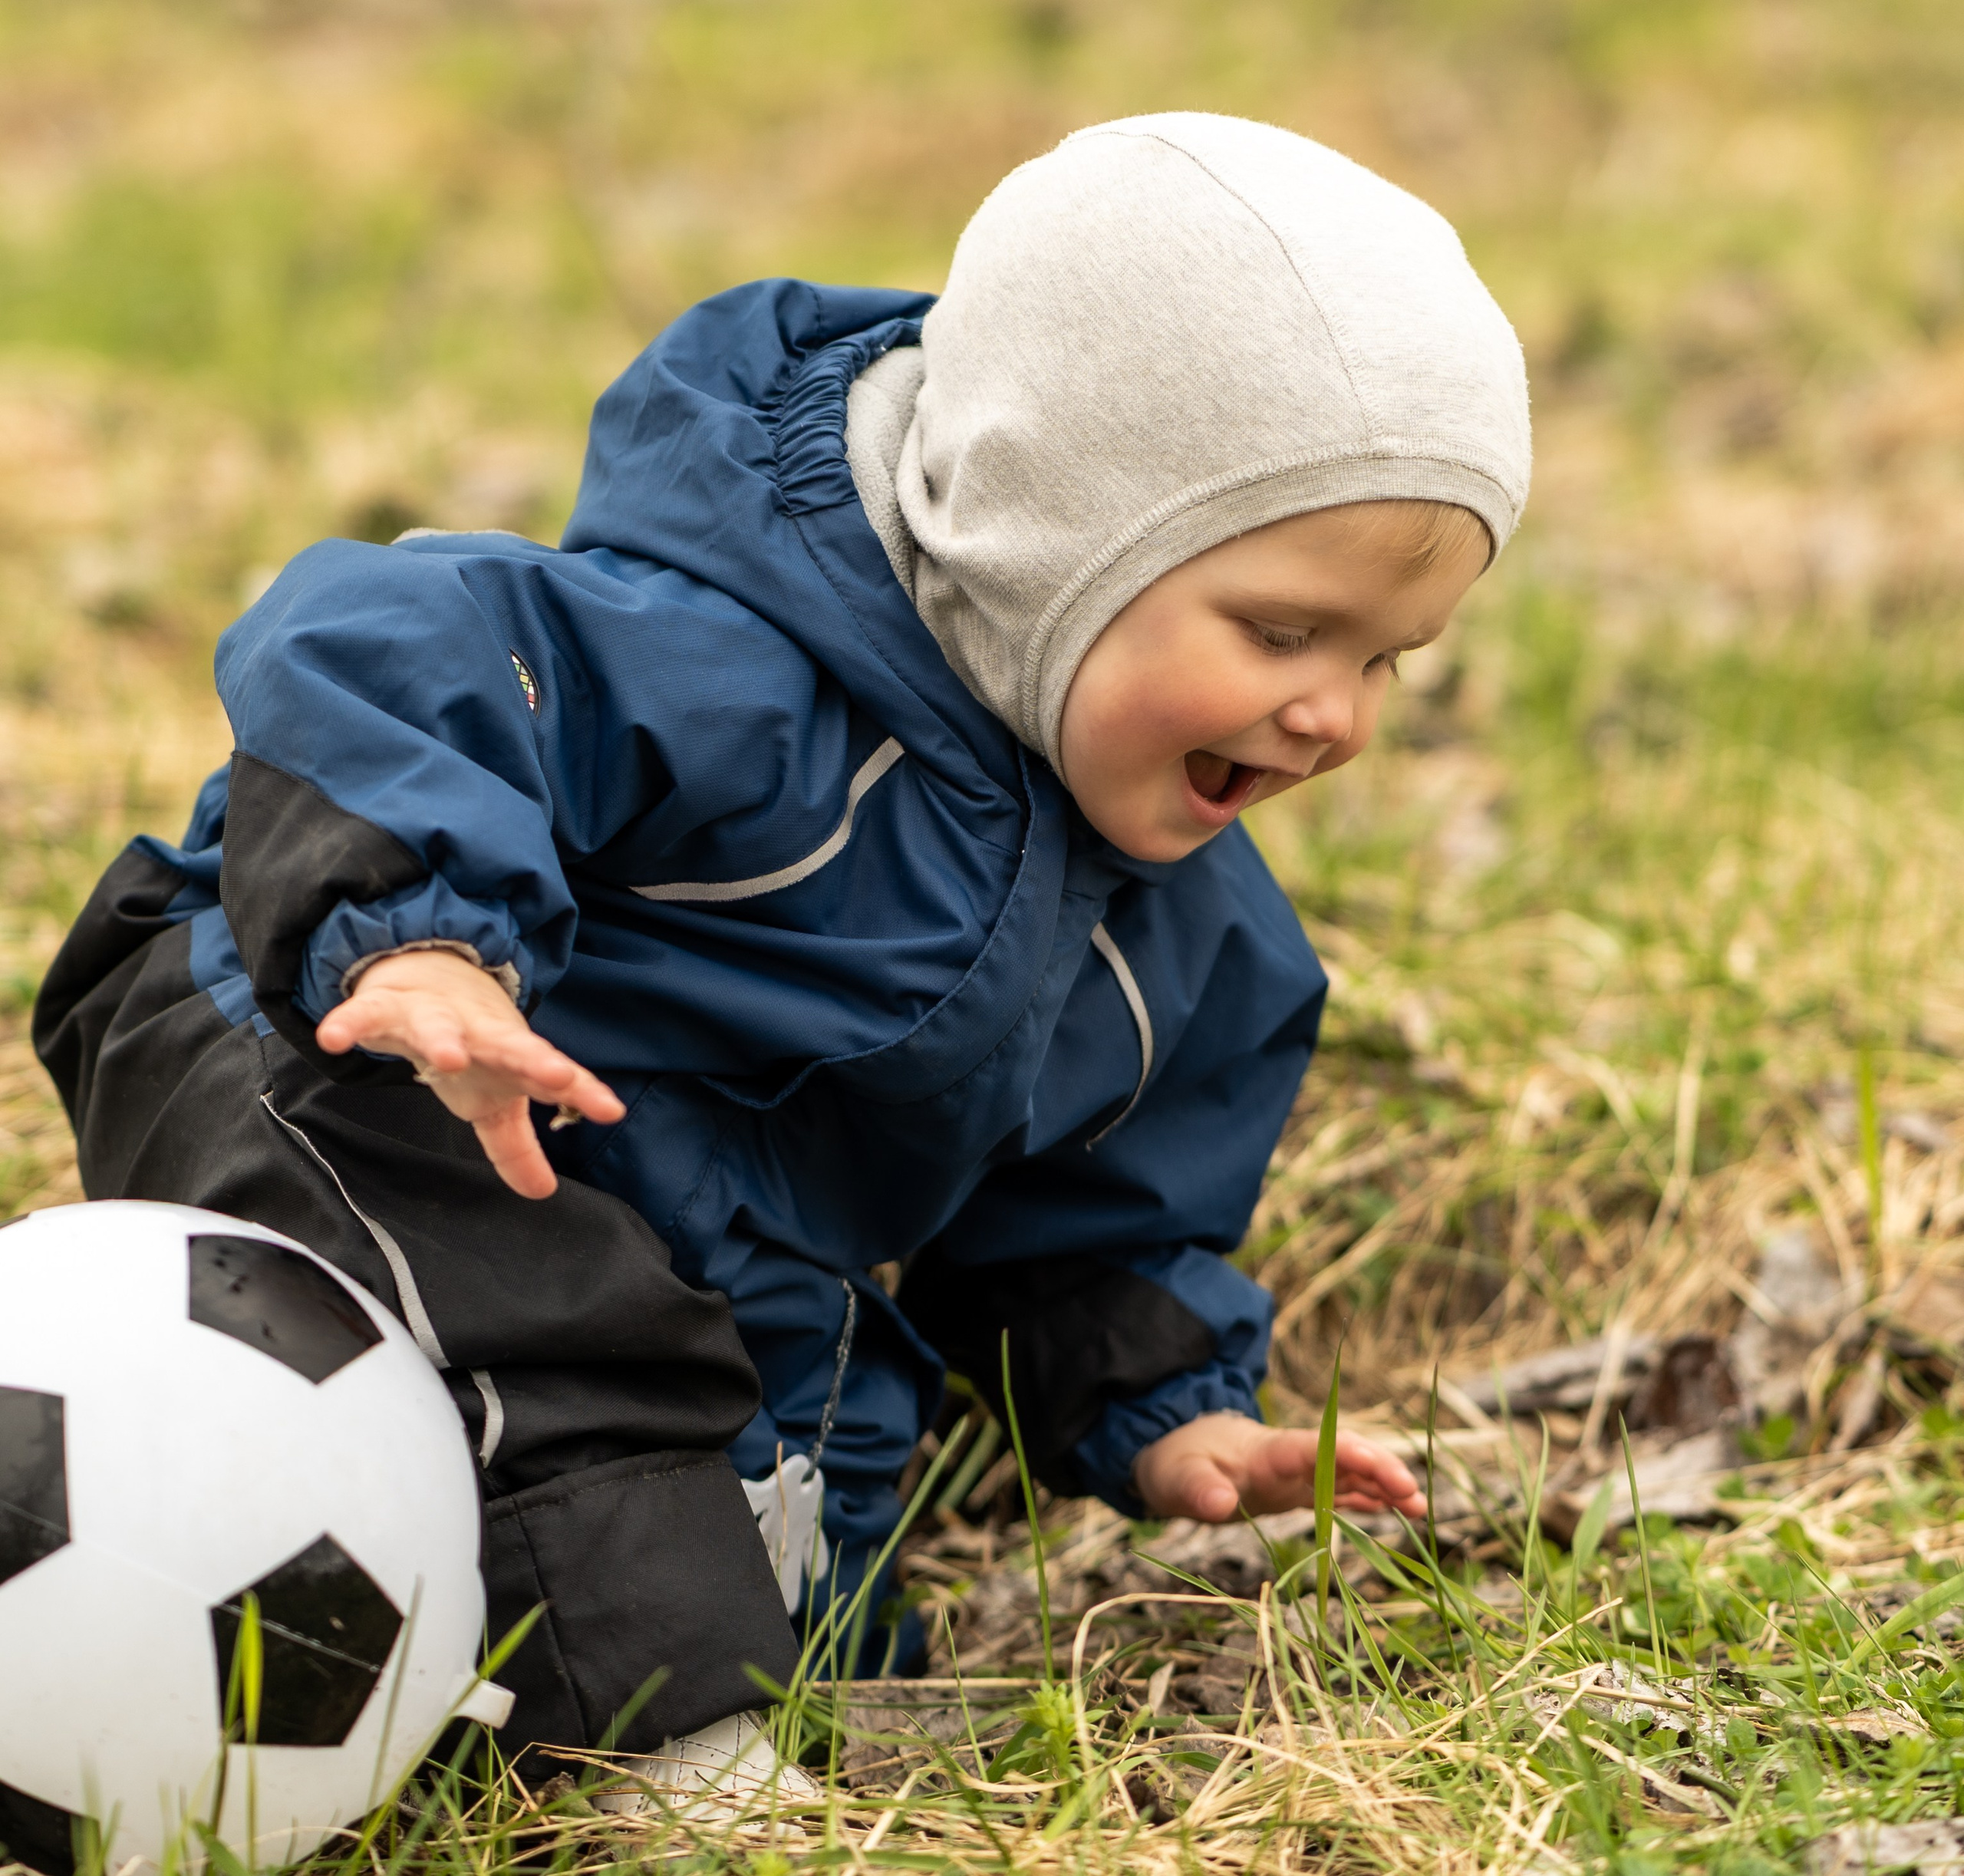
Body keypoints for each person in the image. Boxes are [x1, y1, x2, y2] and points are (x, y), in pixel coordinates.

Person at [33, 112, 1528, 1798]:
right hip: (331, 1023)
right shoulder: (725, 668)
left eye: (1389, 658)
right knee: (541, 1310)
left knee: (811, 1548)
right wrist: (430, 943)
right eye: (1277, 630)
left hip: (690, 1200)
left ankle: (625, 1687)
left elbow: (1093, 1210)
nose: (1331, 712)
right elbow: (379, 644)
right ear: (1045, 539)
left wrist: (1165, 1404)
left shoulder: (1184, 928)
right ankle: (657, 1755)